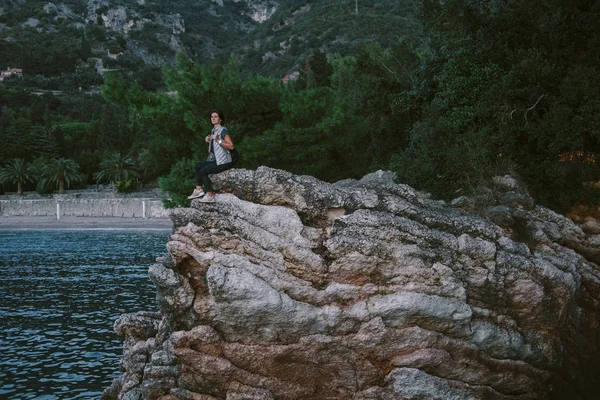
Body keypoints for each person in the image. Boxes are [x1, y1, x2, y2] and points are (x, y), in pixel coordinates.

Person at [187, 110, 234, 203]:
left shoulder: (223, 130)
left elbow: (231, 146)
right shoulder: (213, 130)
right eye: (212, 117)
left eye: (216, 116)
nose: (213, 118)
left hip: (225, 162)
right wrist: (209, 141)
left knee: (203, 171)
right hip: (216, 160)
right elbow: (216, 146)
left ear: (220, 119)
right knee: (197, 165)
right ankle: (199, 190)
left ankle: (210, 195)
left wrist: (218, 140)